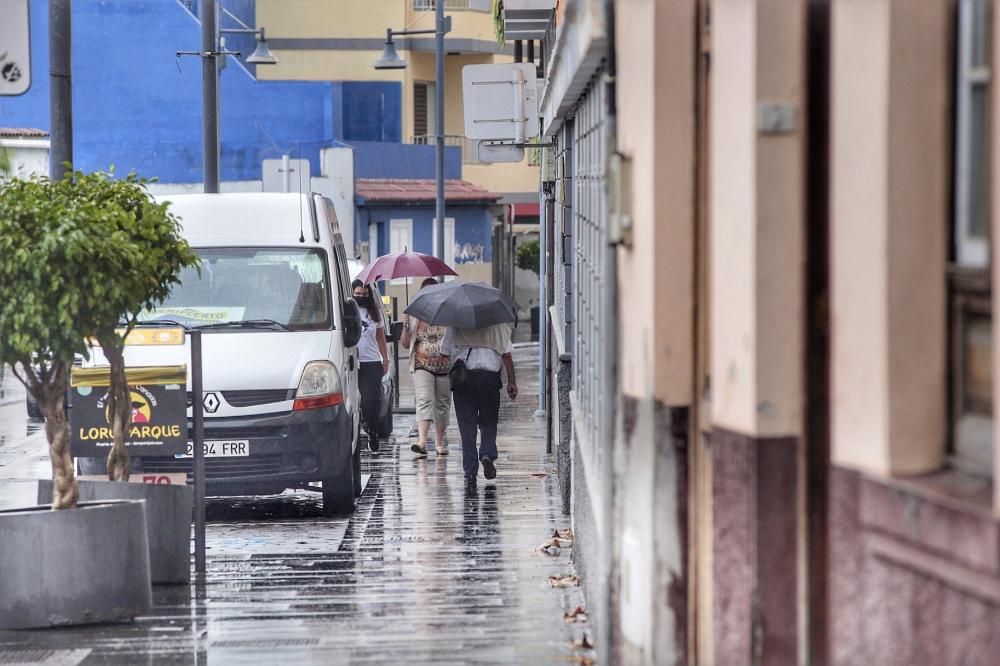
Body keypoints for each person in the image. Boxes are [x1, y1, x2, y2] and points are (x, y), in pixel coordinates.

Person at [441, 322, 517, 488]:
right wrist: (512, 382)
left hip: (464, 379)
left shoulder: (456, 324)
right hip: (489, 379)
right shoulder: (499, 325)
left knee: (466, 426)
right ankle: (487, 452)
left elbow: (444, 353)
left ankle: (470, 472)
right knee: (489, 420)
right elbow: (507, 356)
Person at [401, 278, 452, 458]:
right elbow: (406, 344)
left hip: (445, 366)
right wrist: (405, 326)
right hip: (422, 364)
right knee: (424, 399)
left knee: (443, 404)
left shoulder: (448, 313)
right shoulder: (415, 314)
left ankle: (439, 442)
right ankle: (422, 441)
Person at [352, 279, 389, 453]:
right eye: (357, 294)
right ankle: (360, 426)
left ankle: (372, 430)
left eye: (363, 294)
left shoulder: (375, 313)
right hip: (352, 362)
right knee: (355, 401)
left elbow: (380, 337)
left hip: (371, 362)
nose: (360, 297)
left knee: (371, 401)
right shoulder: (348, 311)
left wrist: (385, 359)